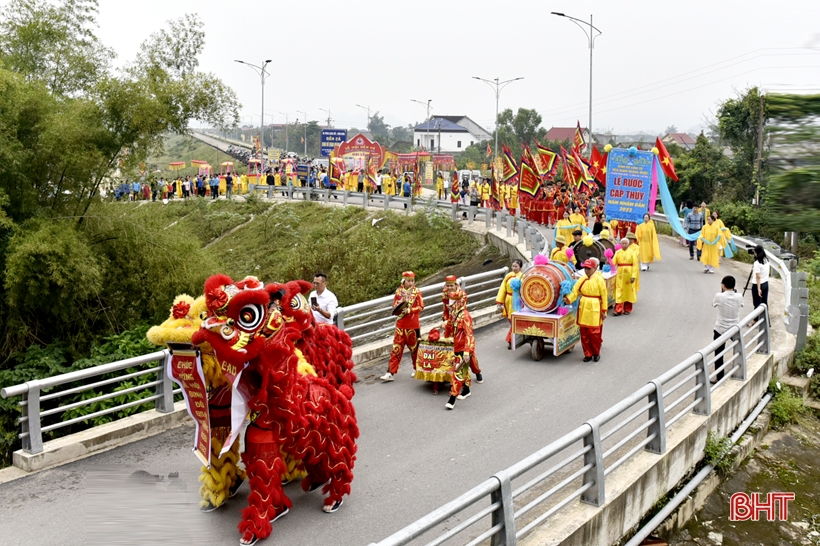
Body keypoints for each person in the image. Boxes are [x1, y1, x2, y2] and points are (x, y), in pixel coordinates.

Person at [441, 278, 479, 409]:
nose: (451, 305)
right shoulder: (455, 314)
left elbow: (470, 335)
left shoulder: (465, 316)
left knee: (457, 373)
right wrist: (445, 323)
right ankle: (467, 389)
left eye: (454, 302)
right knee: (463, 370)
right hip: (457, 346)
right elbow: (451, 323)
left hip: (465, 348)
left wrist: (467, 351)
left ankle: (452, 398)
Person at [381, 271, 425, 381]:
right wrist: (396, 306)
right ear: (404, 280)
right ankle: (390, 372)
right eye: (409, 281)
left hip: (413, 325)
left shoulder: (417, 292)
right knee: (396, 349)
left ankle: (417, 369)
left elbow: (421, 307)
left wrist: (410, 310)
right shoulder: (399, 291)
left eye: (412, 281)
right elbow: (394, 304)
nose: (411, 283)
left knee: (415, 349)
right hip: (400, 325)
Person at [564, 259, 607, 362]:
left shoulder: (599, 279)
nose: (586, 270)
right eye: (585, 268)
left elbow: (604, 295)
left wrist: (604, 310)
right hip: (583, 307)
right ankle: (588, 353)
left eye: (589, 268)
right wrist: (568, 299)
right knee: (584, 333)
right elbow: (575, 291)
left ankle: (596, 353)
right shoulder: (582, 279)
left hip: (595, 307)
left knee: (594, 333)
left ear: (594, 268)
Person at [712, 275, 744, 383]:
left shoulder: (719, 296)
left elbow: (714, 305)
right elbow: (741, 304)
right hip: (734, 328)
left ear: (723, 285)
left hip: (720, 329)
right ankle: (740, 370)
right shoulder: (739, 296)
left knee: (719, 354)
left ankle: (719, 377)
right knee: (739, 349)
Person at [495, 259, 524, 349]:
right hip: (508, 300)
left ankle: (511, 339)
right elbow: (502, 289)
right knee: (511, 320)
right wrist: (499, 302)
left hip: (518, 300)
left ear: (520, 267)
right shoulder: (508, 276)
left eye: (516, 266)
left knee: (515, 320)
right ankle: (513, 339)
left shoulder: (523, 276)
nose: (514, 268)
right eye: (513, 266)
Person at [613, 237, 639, 316]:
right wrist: (609, 262)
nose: (624, 245)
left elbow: (635, 265)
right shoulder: (617, 252)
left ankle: (627, 308)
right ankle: (618, 309)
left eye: (625, 243)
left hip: (629, 274)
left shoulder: (632, 252)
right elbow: (614, 263)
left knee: (628, 292)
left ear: (628, 244)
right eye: (622, 243)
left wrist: (634, 276)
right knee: (619, 290)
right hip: (620, 274)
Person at [752, 245, 769, 310]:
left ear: (756, 252)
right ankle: (765, 318)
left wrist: (759, 289)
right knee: (764, 303)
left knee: (757, 303)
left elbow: (758, 277)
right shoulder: (767, 260)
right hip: (765, 284)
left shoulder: (757, 263)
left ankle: (756, 319)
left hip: (758, 284)